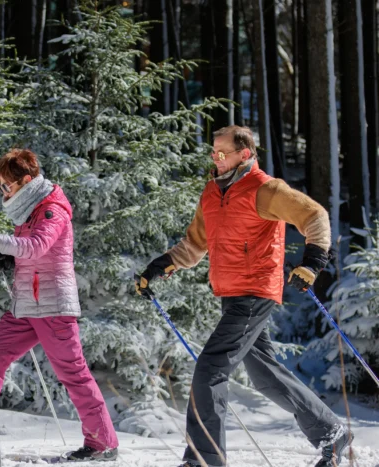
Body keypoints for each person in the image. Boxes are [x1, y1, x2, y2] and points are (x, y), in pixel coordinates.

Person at [135, 126, 352, 467]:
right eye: (213, 152)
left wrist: (313, 262)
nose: (215, 158)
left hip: (254, 293)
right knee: (265, 375)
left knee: (209, 371)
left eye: (222, 152)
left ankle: (203, 459)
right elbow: (194, 244)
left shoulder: (265, 189)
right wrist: (159, 266)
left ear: (245, 154)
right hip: (231, 293)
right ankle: (331, 433)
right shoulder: (212, 192)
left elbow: (315, 216)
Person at [0, 149, 119, 461]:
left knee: (73, 373)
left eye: (8, 185)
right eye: (1, 187)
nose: (5, 192)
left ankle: (103, 443)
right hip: (26, 306)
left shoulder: (51, 210)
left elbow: (37, 247)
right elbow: (28, 254)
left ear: (27, 180)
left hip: (53, 307)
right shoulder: (27, 210)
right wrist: (6, 259)